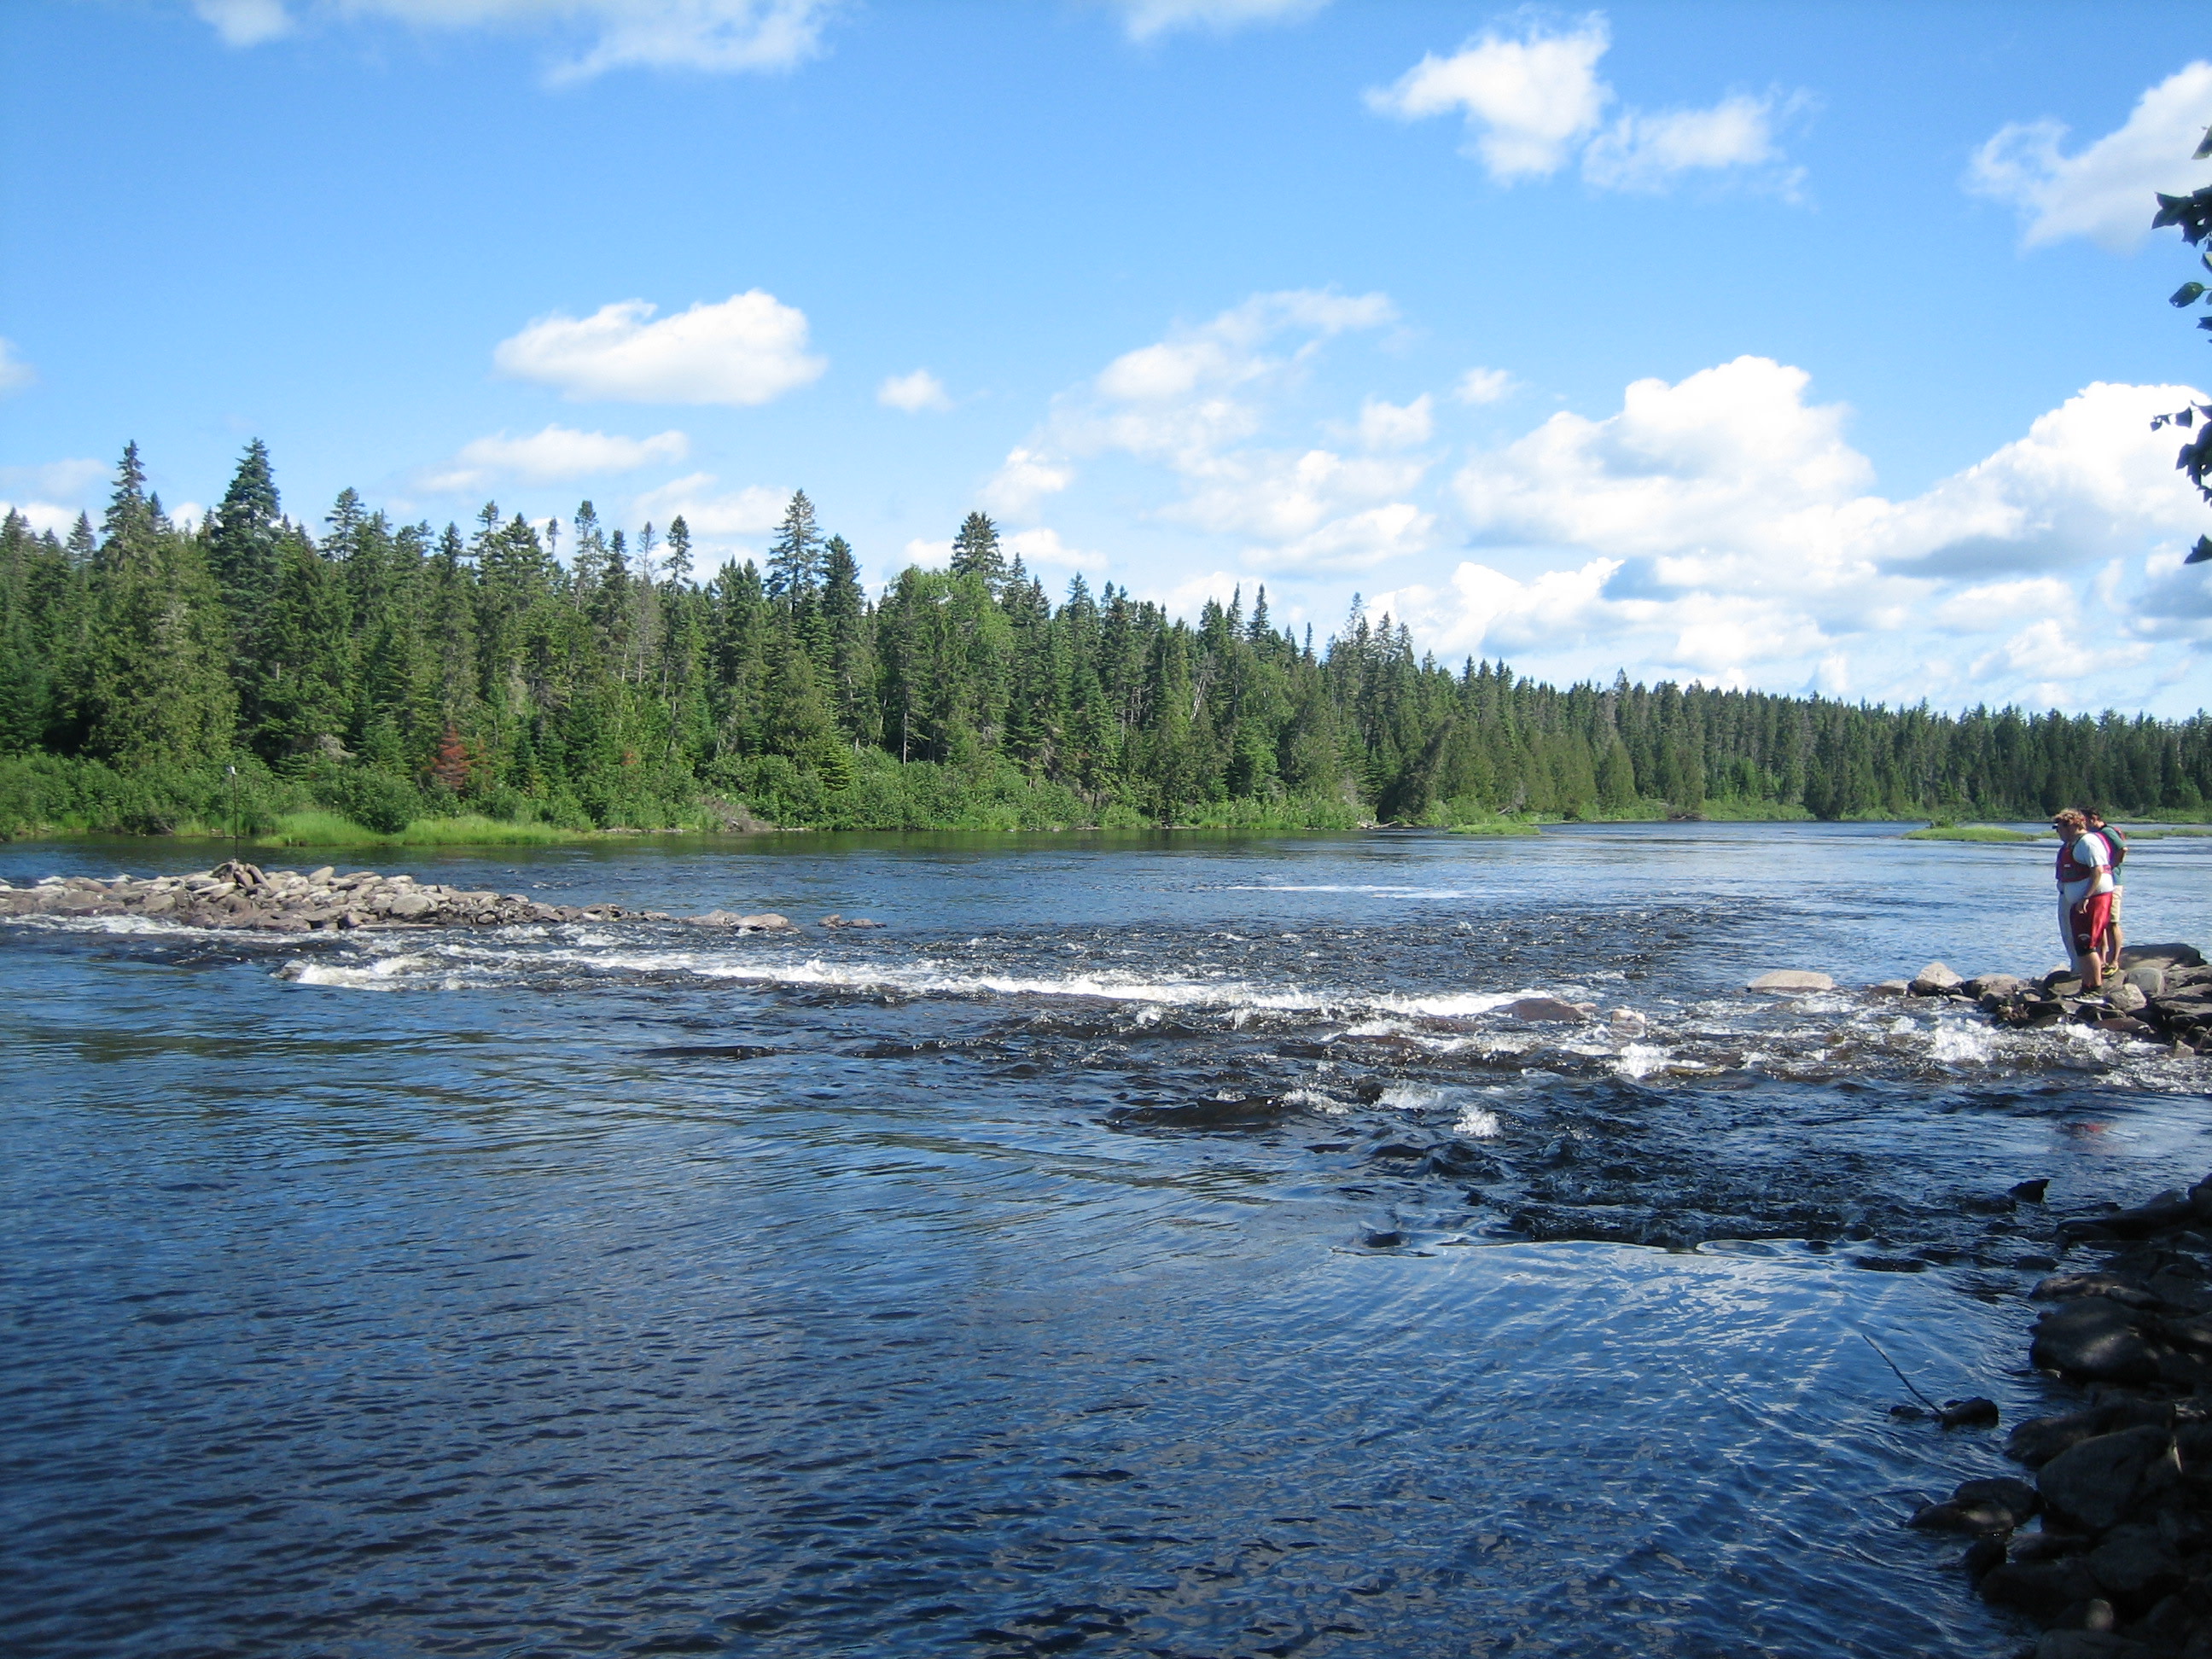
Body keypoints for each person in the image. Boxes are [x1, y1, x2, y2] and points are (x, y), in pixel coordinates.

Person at [2052, 808, 2115, 990]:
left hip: (2092, 900)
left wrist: (2086, 896)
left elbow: (2098, 871)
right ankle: (2086, 984)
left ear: (2072, 825)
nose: (2059, 832)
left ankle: (2095, 987)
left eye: (2060, 828)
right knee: (2080, 945)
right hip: (2077, 901)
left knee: (2087, 945)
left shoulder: (2088, 842)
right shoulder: (2073, 844)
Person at [2085, 807, 2127, 975]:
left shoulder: (2107, 831)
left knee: (2112, 922)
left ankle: (2114, 961)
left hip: (2113, 882)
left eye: (2085, 820)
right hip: (2102, 883)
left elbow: (2122, 849)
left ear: (2093, 819)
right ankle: (2102, 960)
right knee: (2100, 923)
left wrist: (2111, 865)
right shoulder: (2093, 835)